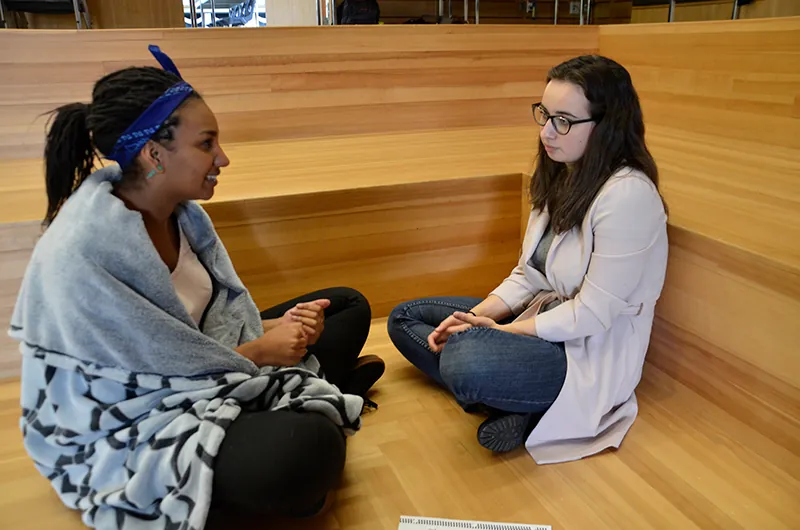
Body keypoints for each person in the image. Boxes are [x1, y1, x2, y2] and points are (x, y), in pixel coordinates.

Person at [10, 46, 384, 529]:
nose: (222, 158)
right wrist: (259, 352)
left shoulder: (183, 212)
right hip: (135, 416)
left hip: (203, 362)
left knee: (347, 305)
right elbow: (145, 376)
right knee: (302, 451)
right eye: (207, 143)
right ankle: (304, 417)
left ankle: (304, 406)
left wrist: (276, 326)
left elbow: (197, 322)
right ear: (154, 153)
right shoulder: (85, 252)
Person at [387, 55, 668, 464]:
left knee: (467, 358)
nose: (546, 132)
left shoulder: (629, 196)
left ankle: (516, 397)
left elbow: (592, 314)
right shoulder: (563, 171)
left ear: (606, 126)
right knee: (405, 318)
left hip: (581, 355)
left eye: (563, 120)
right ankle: (518, 406)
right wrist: (477, 317)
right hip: (541, 321)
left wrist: (502, 335)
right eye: (544, 114)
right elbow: (527, 275)